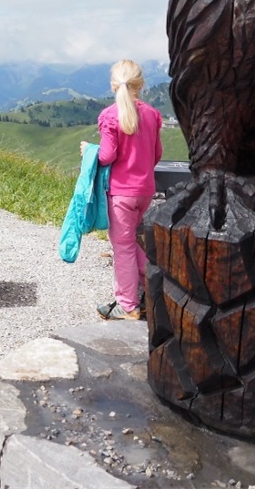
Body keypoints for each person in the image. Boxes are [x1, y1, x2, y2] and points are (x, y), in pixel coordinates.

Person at [85, 59, 162, 321]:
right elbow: (157, 154)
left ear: (113, 84)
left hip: (121, 193)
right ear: (141, 85)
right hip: (145, 191)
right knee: (130, 244)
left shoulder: (109, 115)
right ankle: (154, 291)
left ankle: (128, 305)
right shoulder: (152, 114)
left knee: (123, 248)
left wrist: (89, 151)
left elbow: (107, 155)